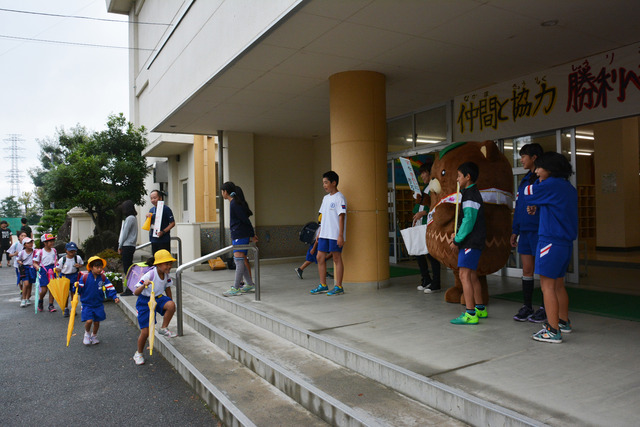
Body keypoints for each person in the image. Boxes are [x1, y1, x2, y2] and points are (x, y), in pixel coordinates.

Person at [523, 152, 577, 343]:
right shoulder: (568, 188)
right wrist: (537, 206)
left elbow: (526, 192)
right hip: (564, 243)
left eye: (539, 167)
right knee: (558, 285)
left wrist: (532, 197)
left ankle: (553, 330)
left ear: (550, 169)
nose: (536, 171)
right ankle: (563, 321)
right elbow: (553, 204)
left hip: (550, 242)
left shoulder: (549, 184)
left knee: (547, 287)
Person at [510, 143, 546, 322]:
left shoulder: (544, 179)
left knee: (545, 271)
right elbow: (519, 208)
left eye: (524, 156)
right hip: (525, 231)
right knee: (527, 269)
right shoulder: (524, 181)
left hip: (541, 231)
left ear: (534, 158)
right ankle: (527, 306)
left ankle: (546, 307)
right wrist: (515, 230)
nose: (521, 159)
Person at [449, 162, 486, 325]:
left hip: (470, 242)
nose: (457, 179)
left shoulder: (470, 195)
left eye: (459, 176)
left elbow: (469, 221)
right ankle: (480, 308)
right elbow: (467, 220)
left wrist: (457, 239)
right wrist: (457, 233)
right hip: (473, 240)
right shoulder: (470, 193)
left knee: (464, 275)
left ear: (467, 177)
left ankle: (470, 314)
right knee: (471, 275)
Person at [133, 250, 178, 365]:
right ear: (158, 264)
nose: (169, 266)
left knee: (171, 305)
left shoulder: (166, 275)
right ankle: (139, 353)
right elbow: (136, 292)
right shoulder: (150, 275)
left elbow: (168, 288)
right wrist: (144, 285)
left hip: (158, 298)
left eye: (170, 263)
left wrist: (170, 303)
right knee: (146, 331)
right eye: (166, 264)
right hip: (145, 302)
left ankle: (163, 328)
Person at [310, 171, 347, 296]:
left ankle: (339, 287)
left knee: (336, 259)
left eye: (326, 182)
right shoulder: (325, 198)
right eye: (323, 183)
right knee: (319, 257)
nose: (324, 185)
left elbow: (341, 217)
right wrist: (319, 233)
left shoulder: (340, 198)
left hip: (335, 234)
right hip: (324, 234)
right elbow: (323, 217)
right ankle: (323, 285)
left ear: (334, 183)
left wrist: (341, 235)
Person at [220, 182, 257, 297]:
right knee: (240, 259)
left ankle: (236, 287)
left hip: (240, 235)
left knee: (239, 260)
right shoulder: (234, 203)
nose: (222, 194)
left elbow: (245, 219)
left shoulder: (234, 204)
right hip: (239, 234)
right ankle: (250, 284)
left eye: (222, 191)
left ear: (225, 192)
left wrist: (252, 234)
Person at [412, 162, 441, 293]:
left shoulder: (435, 187)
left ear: (430, 173)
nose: (422, 175)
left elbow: (436, 206)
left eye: (424, 172)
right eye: (421, 173)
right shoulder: (424, 188)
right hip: (421, 224)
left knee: (431, 255)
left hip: (429, 225)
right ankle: (426, 279)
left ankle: (436, 282)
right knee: (419, 253)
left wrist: (422, 213)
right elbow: (420, 206)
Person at [78, 256, 120, 345]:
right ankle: (87, 333)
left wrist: (114, 296)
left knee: (97, 322)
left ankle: (94, 336)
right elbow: (79, 290)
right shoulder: (84, 277)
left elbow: (110, 288)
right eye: (97, 267)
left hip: (98, 304)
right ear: (91, 267)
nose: (99, 269)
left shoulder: (103, 278)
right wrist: (77, 287)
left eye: (101, 267)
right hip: (87, 303)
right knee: (89, 320)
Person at [54, 242, 84, 318]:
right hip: (64, 277)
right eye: (70, 251)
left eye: (73, 251)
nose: (72, 252)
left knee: (73, 293)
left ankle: (73, 308)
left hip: (74, 276)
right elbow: (58, 268)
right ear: (66, 250)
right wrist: (57, 269)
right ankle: (66, 308)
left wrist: (79, 265)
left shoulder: (77, 258)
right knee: (65, 294)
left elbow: (82, 264)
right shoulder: (62, 259)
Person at [33, 233, 58, 312]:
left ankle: (51, 305)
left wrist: (57, 265)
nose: (52, 242)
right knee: (44, 290)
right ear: (44, 242)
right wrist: (37, 267)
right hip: (44, 271)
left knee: (52, 289)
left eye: (53, 240)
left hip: (52, 270)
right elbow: (34, 262)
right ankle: (40, 300)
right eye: (50, 241)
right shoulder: (40, 252)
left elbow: (56, 260)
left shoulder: (54, 250)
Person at [146, 190, 175, 255]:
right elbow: (148, 224)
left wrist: (163, 232)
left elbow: (172, 223)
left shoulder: (166, 209)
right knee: (155, 259)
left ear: (160, 198)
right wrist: (147, 218)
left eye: (155, 198)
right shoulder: (151, 210)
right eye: (151, 198)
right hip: (154, 239)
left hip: (164, 240)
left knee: (164, 259)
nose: (153, 200)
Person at [118, 200, 138, 295]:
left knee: (127, 268)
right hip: (130, 245)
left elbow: (124, 233)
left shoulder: (130, 218)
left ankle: (129, 289)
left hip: (127, 245)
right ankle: (130, 287)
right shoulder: (133, 218)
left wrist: (120, 245)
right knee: (128, 267)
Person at [17, 237, 36, 307]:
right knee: (26, 284)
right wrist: (20, 262)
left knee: (30, 284)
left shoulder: (35, 251)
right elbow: (18, 259)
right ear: (24, 245)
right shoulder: (22, 252)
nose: (31, 244)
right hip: (25, 269)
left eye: (31, 242)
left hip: (32, 269)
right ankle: (23, 299)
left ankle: (28, 298)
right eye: (28, 243)